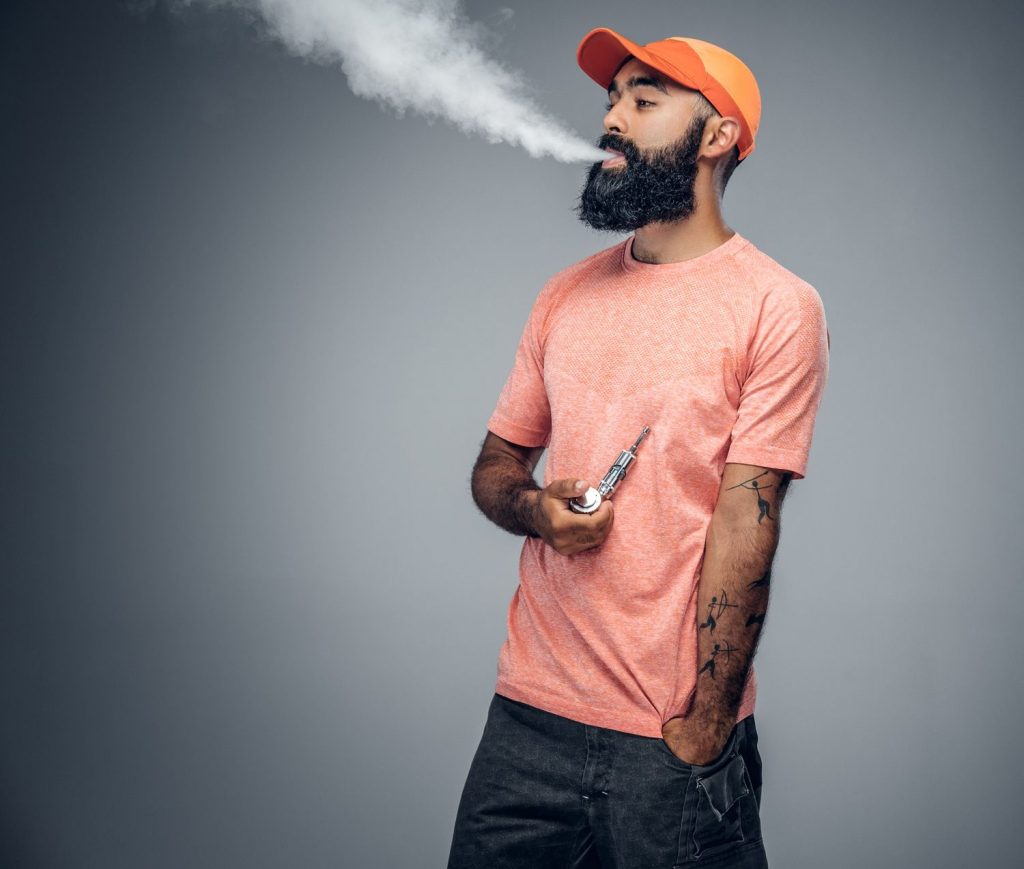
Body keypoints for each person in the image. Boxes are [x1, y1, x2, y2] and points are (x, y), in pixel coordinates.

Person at [447, 26, 830, 869]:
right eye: (611, 99)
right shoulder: (564, 294)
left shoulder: (777, 305)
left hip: (668, 738)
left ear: (719, 137)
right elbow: (494, 469)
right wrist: (537, 510)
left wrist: (703, 725)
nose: (612, 118)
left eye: (644, 100)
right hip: (527, 720)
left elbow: (746, 516)